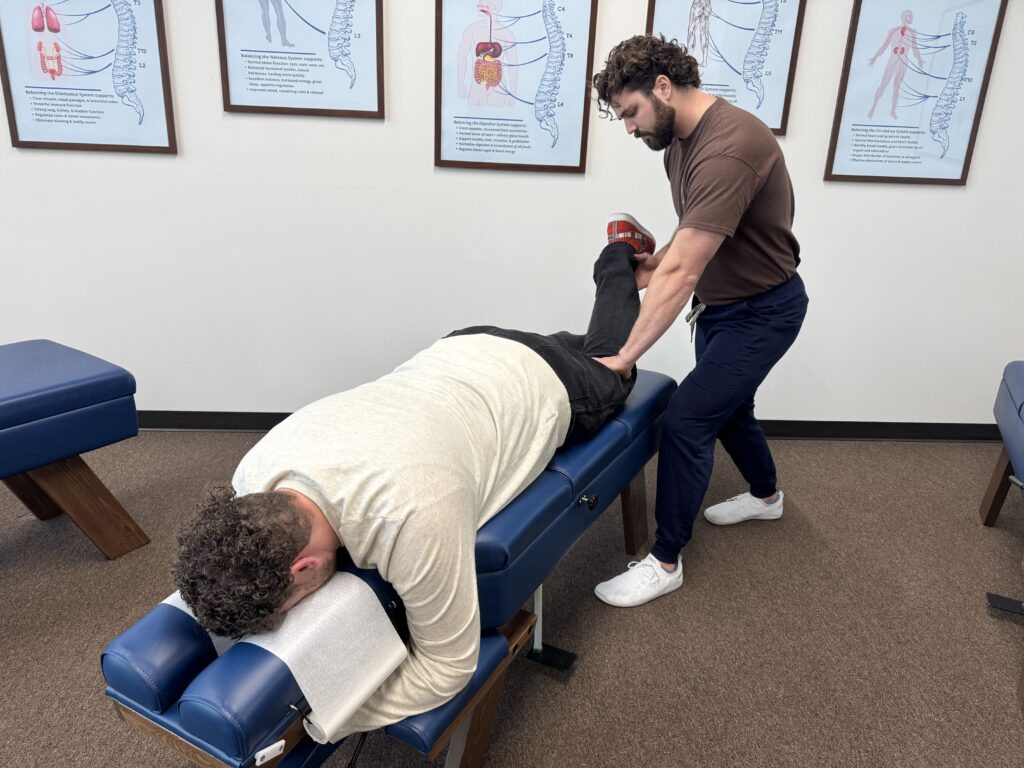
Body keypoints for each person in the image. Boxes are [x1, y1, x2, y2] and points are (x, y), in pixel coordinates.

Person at [172, 221, 656, 738]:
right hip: (464, 348)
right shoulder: (254, 468)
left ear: (304, 565)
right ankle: (584, 330)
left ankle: (617, 253)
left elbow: (448, 669)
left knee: (615, 366)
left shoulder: (412, 513)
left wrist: (326, 720)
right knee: (587, 345)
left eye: (289, 605)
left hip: (546, 385)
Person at [589, 35, 808, 608]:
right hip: (723, 306)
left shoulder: (732, 145)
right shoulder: (678, 145)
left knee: (686, 419)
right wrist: (653, 264)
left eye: (631, 112)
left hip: (764, 313)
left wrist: (622, 358)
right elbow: (699, 237)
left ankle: (665, 560)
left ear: (663, 87)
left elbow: (686, 269)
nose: (630, 128)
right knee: (732, 411)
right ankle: (766, 496)